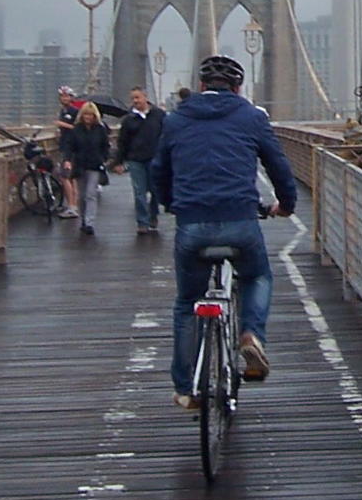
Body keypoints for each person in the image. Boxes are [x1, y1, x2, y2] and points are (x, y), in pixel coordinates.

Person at [152, 54, 297, 409]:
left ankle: (185, 389)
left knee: (188, 303)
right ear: (238, 88)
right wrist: (286, 204)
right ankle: (251, 334)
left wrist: (170, 203)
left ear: (201, 86)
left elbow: (159, 170)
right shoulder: (252, 117)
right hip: (240, 220)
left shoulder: (175, 119)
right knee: (258, 276)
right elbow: (277, 165)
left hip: (192, 224)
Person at [111, 86, 164, 234]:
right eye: (133, 98)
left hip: (154, 158)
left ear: (145, 97)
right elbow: (123, 142)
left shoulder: (159, 115)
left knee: (155, 191)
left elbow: (166, 136)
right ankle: (142, 222)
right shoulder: (129, 120)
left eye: (137, 97)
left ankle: (153, 216)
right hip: (136, 159)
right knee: (139, 192)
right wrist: (118, 161)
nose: (135, 101)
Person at [60, 101, 110, 236]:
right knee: (82, 196)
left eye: (90, 115)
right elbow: (69, 146)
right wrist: (67, 160)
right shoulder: (76, 130)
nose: (88, 117)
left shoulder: (100, 129)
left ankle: (89, 223)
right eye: (86, 115)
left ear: (95, 116)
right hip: (80, 166)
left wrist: (103, 159)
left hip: (94, 165)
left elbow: (105, 146)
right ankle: (84, 219)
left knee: (90, 194)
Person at [54, 86, 83, 218]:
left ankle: (72, 206)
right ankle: (73, 204)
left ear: (71, 97)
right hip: (65, 145)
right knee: (71, 178)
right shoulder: (63, 110)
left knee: (65, 177)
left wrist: (62, 124)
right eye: (62, 96)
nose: (64, 98)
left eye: (66, 96)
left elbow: (77, 128)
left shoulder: (74, 111)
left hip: (70, 148)